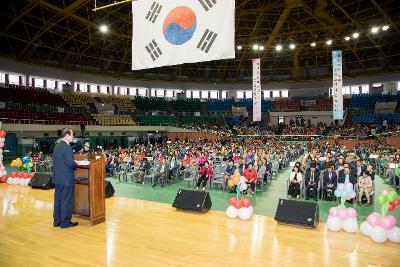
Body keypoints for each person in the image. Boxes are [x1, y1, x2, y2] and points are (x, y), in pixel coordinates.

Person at [52, 128, 78, 228]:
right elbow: (70, 162)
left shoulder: (57, 146)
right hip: (66, 179)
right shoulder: (67, 147)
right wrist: (76, 165)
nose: (73, 137)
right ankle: (65, 222)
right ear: (67, 135)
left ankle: (57, 221)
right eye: (72, 135)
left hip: (57, 178)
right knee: (66, 200)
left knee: (58, 200)